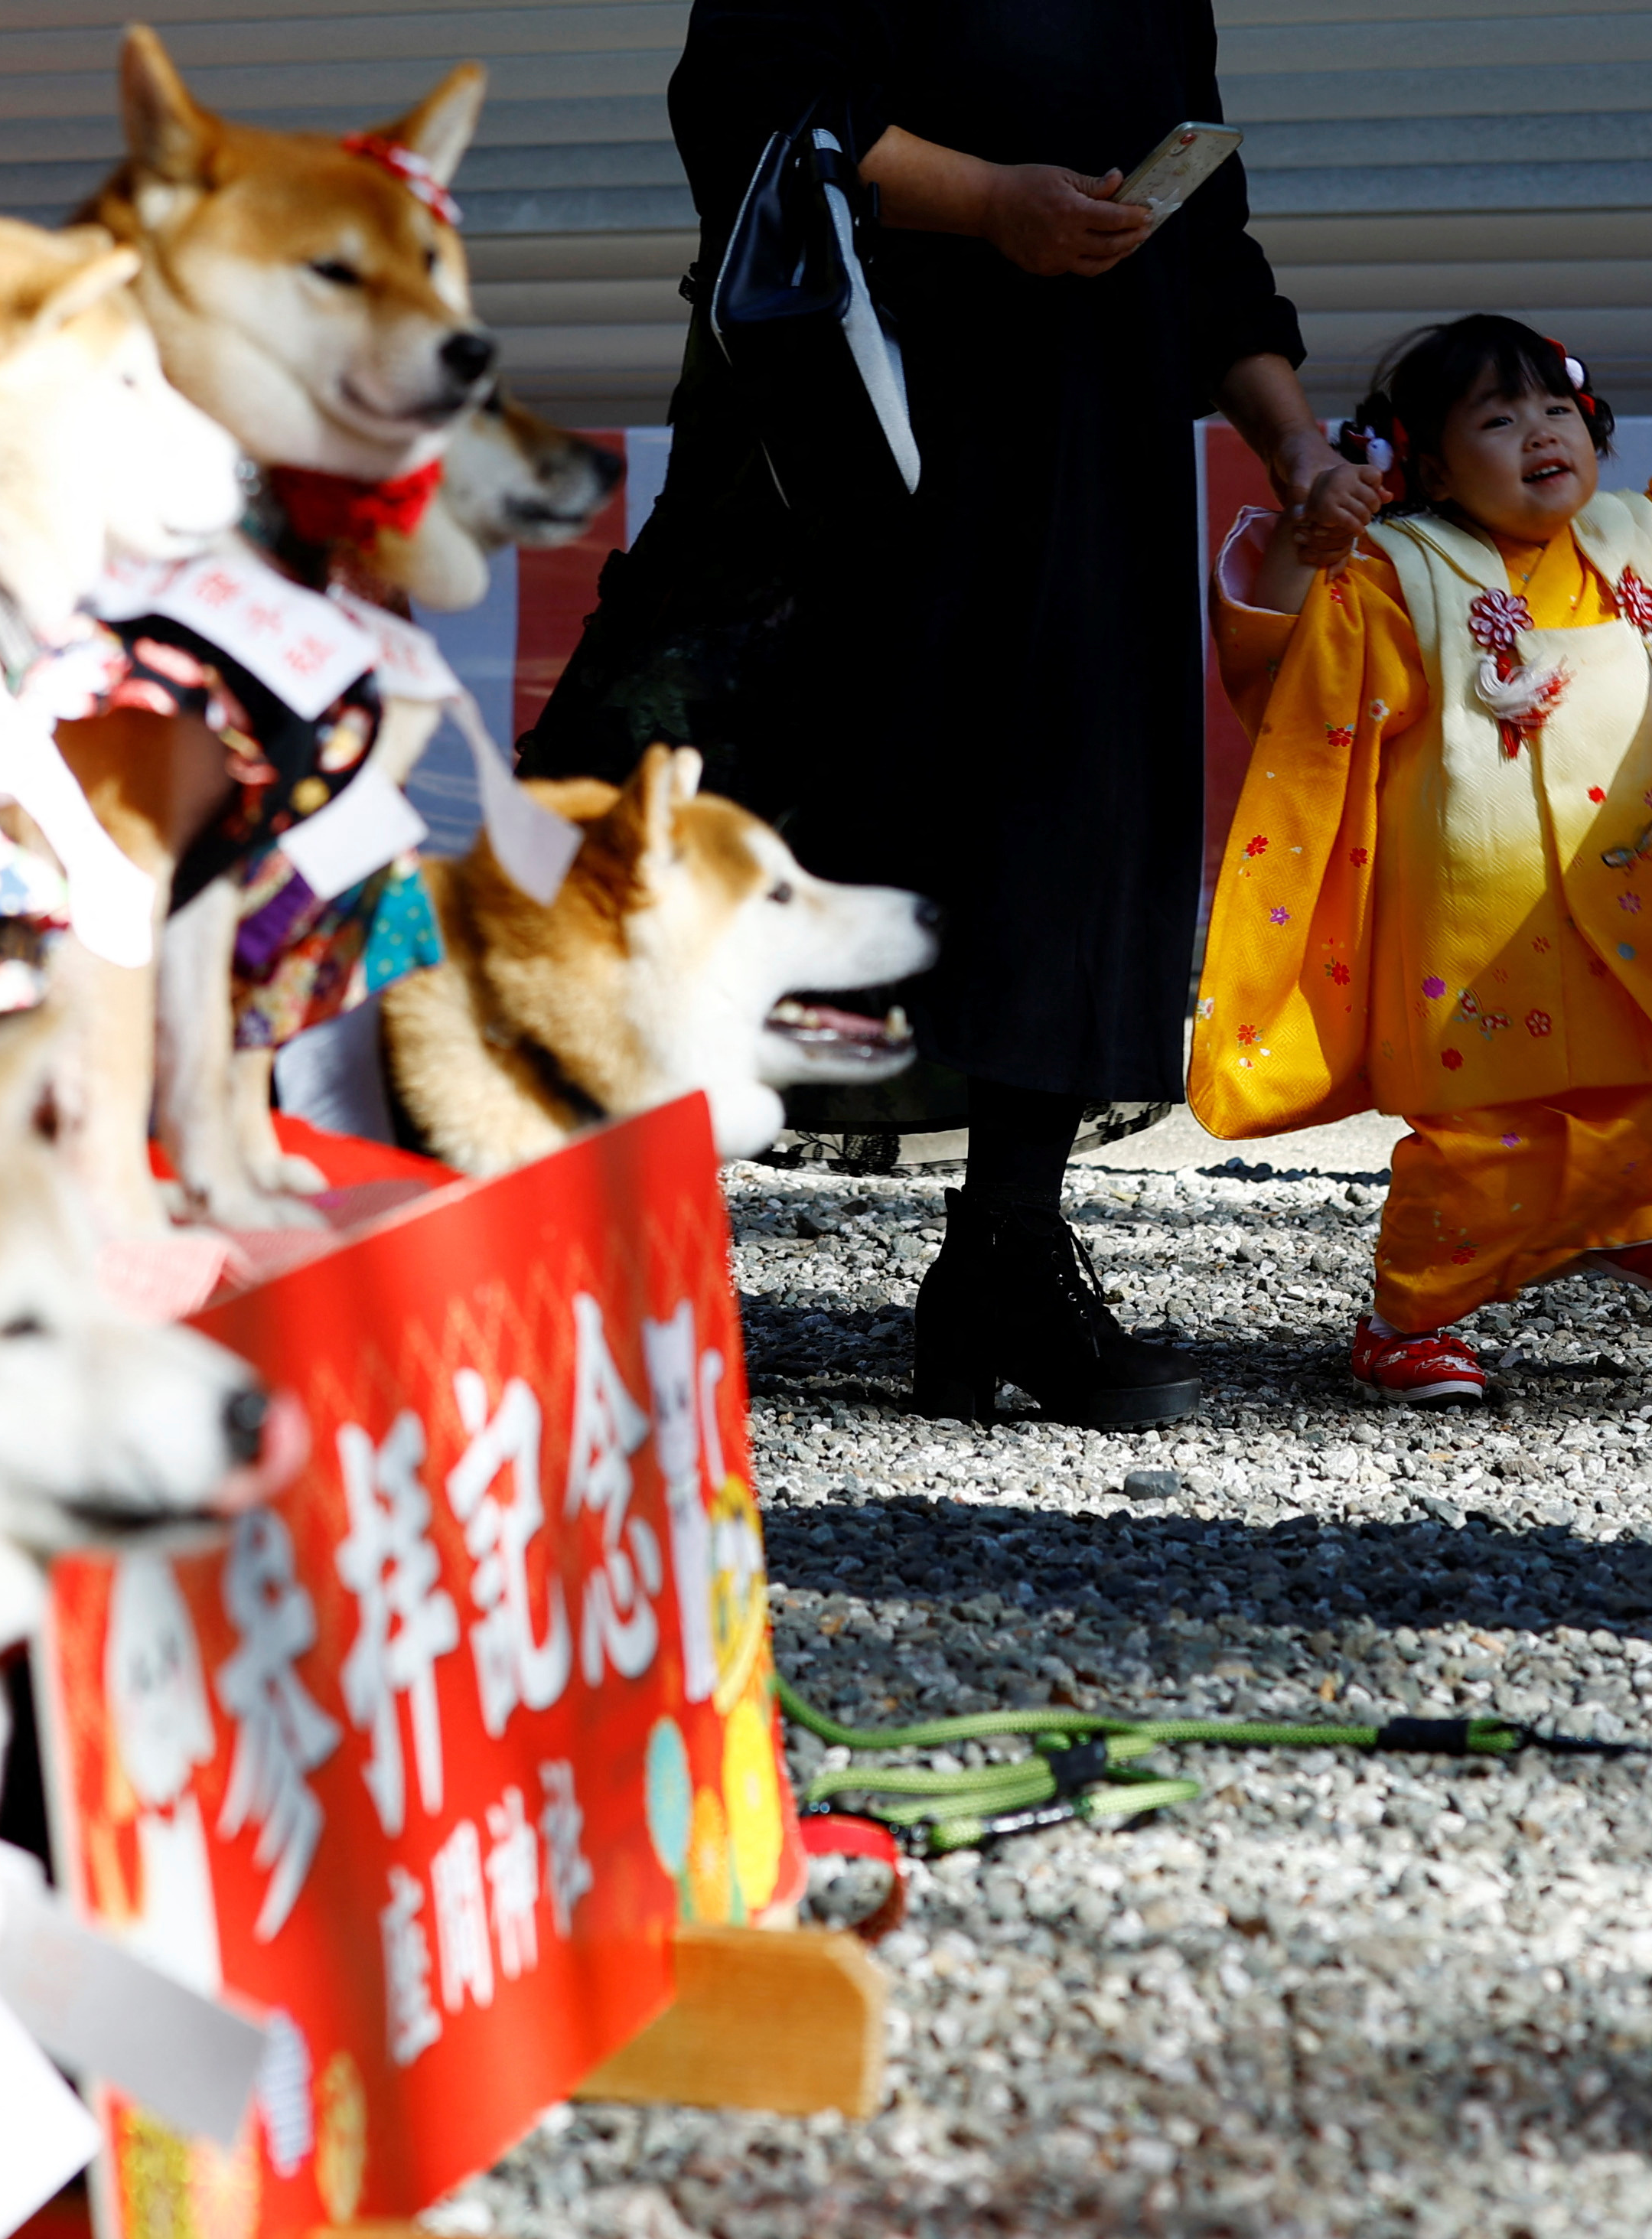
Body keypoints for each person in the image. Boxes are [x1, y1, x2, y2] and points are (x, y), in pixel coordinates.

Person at [529, 0, 1378, 1431]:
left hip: (1088, 443)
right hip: (851, 439)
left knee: (1066, 826)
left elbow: (1206, 227)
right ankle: (555, 1250)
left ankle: (1006, 1255)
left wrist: (1291, 442)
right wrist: (990, 204)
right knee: (719, 815)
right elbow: (746, 93)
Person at [1194, 308, 1652, 1403]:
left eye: (1556, 409)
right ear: (1426, 462)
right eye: (1498, 417)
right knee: (1487, 1130)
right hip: (1475, 925)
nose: (1541, 433)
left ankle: (1650, 1218)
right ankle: (1408, 1318)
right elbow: (1298, 678)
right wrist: (1312, 547)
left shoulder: (1639, 535)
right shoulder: (1400, 567)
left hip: (1633, 889)